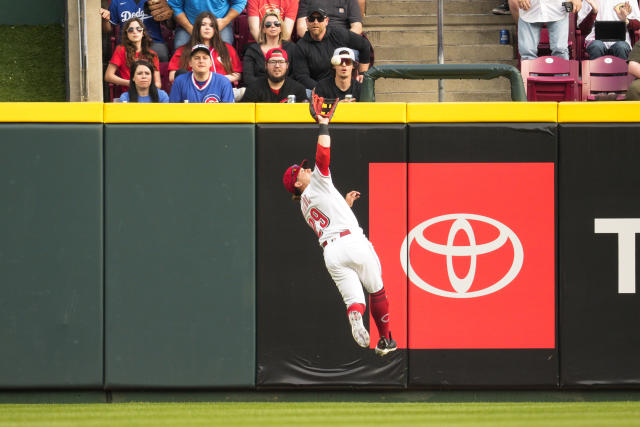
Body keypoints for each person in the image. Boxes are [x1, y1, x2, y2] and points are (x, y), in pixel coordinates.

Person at [281, 100, 397, 356]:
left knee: (354, 301)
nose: (307, 169)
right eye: (301, 170)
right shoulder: (315, 186)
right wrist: (324, 125)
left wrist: (344, 203)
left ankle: (356, 317)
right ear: (297, 183)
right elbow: (323, 157)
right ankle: (386, 339)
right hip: (353, 242)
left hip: (332, 253)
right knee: (377, 290)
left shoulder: (304, 205)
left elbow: (330, 218)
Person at [293, 2, 371, 91]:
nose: (315, 22)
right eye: (311, 19)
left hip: (343, 87)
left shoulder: (338, 34)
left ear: (326, 21)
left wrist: (363, 73)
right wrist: (323, 90)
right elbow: (302, 77)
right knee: (306, 93)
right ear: (307, 22)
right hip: (318, 89)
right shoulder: (301, 46)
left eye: (320, 19)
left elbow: (364, 45)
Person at [168, 11, 242, 86]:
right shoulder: (183, 50)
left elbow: (237, 75)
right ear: (197, 28)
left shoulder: (227, 48)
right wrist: (200, 80)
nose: (207, 28)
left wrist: (217, 80)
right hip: (193, 91)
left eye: (211, 25)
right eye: (203, 25)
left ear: (215, 29)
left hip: (222, 90)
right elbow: (172, 76)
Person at [100, 0, 170, 62]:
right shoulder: (117, 1)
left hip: (153, 42)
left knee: (161, 53)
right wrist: (105, 20)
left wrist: (169, 10)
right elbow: (107, 30)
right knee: (123, 55)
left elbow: (170, 26)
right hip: (127, 42)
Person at [105, 17, 162, 92]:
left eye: (138, 29)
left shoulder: (152, 54)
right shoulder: (121, 50)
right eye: (131, 30)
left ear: (143, 33)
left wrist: (144, 87)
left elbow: (158, 84)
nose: (135, 32)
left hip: (148, 94)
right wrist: (130, 83)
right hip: (129, 94)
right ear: (127, 34)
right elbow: (108, 76)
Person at [242, 12, 296, 86]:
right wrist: (268, 87)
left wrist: (279, 87)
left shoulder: (292, 48)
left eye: (276, 23)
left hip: (286, 89)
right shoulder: (252, 50)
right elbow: (248, 78)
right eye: (268, 24)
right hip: (259, 90)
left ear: (281, 28)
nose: (273, 26)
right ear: (263, 29)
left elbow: (296, 74)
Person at [517, 0, 583, 60]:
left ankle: (562, 72)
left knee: (560, 49)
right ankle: (528, 73)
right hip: (529, 9)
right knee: (527, 51)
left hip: (557, 8)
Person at [169, 44, 235, 102]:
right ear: (190, 63)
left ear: (210, 63)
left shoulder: (223, 82)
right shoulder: (180, 81)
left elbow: (228, 113)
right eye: (197, 58)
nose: (201, 61)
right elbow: (173, 111)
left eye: (205, 58)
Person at [168, 0, 247, 47]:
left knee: (225, 47)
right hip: (190, 24)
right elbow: (175, 6)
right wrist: (190, 28)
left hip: (219, 25)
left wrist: (225, 21)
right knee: (180, 46)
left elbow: (240, 2)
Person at [241, 47, 307, 102]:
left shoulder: (298, 89)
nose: (277, 65)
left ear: (287, 65)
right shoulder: (254, 88)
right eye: (273, 62)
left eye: (281, 62)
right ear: (266, 65)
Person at [296, 0, 363, 37]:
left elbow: (357, 27)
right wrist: (316, 39)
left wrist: (344, 39)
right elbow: (301, 28)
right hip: (315, 39)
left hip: (342, 40)